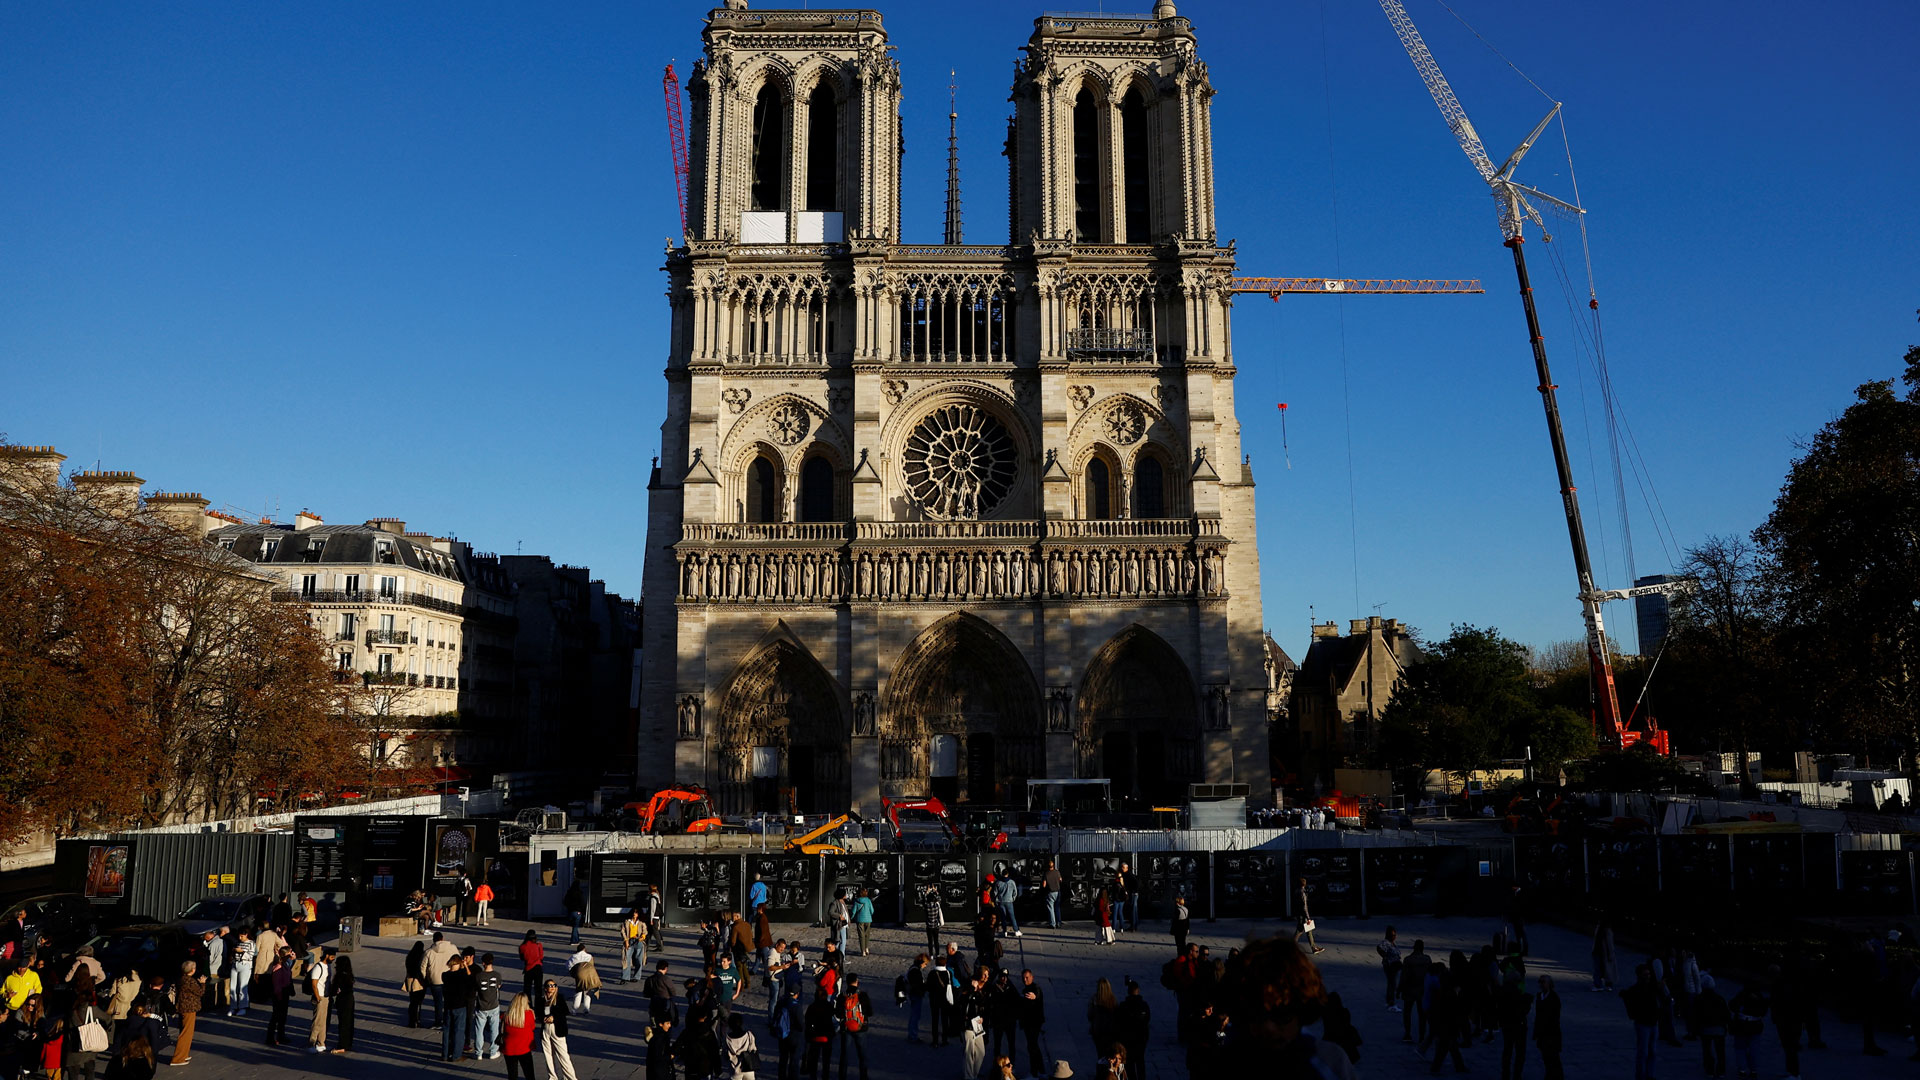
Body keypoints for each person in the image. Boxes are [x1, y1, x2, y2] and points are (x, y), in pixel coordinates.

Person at [1622, 964, 1660, 1080]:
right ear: (1640, 976)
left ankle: (1650, 1075)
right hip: (1643, 1024)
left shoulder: (1652, 987)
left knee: (1652, 1051)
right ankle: (1641, 1076)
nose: (1648, 977)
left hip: (1653, 1022)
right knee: (1643, 1052)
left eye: (1649, 974)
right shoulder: (1636, 990)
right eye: (1645, 975)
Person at [538, 979, 578, 1080]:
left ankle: (570, 1078)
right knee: (548, 1055)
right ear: (545, 988)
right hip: (546, 1029)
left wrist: (554, 1017)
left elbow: (565, 1011)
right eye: (549, 985)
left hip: (557, 1028)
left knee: (563, 1055)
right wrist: (543, 1018)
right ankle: (552, 1077)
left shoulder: (559, 998)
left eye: (553, 985)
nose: (551, 987)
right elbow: (538, 1012)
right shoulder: (541, 999)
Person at [1728, 979, 1768, 1080]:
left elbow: (1731, 1005)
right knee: (1754, 1049)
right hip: (1755, 1025)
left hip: (1741, 1024)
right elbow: (1764, 1011)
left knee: (1740, 1048)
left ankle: (1742, 1070)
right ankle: (1753, 1070)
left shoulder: (1742, 994)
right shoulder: (1759, 996)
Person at [836, 973, 872, 1080]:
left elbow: (838, 1014)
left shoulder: (842, 996)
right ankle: (863, 1076)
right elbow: (870, 1012)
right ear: (857, 981)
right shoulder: (863, 995)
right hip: (861, 1028)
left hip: (846, 1028)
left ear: (846, 983)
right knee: (862, 1055)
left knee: (844, 1055)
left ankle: (842, 1076)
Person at [67, 986, 107, 1079]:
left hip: (75, 1045)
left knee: (73, 1073)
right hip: (90, 1044)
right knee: (89, 1071)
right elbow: (108, 1019)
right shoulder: (94, 1010)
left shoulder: (72, 1011)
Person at [440, 953, 474, 1062]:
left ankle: (445, 1054)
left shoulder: (445, 975)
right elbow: (470, 977)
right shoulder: (462, 975)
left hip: (448, 1006)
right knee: (459, 1031)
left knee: (447, 1031)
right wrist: (466, 966)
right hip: (460, 1006)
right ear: (459, 964)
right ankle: (456, 1055)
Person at [1694, 974, 1728, 1079]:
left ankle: (1710, 1070)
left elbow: (1695, 1015)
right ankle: (1721, 1071)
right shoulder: (1719, 998)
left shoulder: (1699, 999)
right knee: (1720, 1050)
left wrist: (1696, 1028)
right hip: (1719, 1028)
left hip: (1705, 1029)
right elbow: (1726, 1014)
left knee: (1707, 1050)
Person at [1017, 969, 1048, 1080]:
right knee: (1033, 1046)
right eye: (1023, 978)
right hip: (1028, 1023)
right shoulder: (1025, 989)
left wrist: (1035, 996)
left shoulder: (1035, 988)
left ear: (1032, 977)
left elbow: (1037, 994)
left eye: (1027, 977)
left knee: (1032, 1047)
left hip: (1033, 1023)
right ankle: (1041, 1070)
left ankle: (1034, 1072)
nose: (1025, 980)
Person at [471, 952, 501, 1060]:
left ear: (483, 963)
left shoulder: (478, 976)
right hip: (494, 1005)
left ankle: (478, 1052)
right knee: (494, 1030)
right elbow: (499, 986)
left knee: (479, 1030)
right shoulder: (497, 975)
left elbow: (476, 988)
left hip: (481, 1006)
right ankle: (493, 1051)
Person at [423, 931, 457, 1028]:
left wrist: (426, 978)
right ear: (443, 938)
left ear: (434, 940)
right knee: (448, 1001)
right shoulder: (452, 948)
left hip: (435, 980)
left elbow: (423, 967)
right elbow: (458, 960)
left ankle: (438, 1021)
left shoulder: (428, 952)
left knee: (438, 1002)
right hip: (449, 979)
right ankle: (448, 1020)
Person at [501, 993, 539, 1080]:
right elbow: (532, 1027)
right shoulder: (529, 1014)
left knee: (512, 1074)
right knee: (529, 1073)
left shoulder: (506, 1015)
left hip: (509, 1049)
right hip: (525, 1048)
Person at [264, 946, 294, 1047]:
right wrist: (279, 996)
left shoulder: (285, 964)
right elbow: (277, 985)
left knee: (283, 1016)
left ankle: (281, 1035)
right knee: (276, 1016)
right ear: (285, 954)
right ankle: (270, 1037)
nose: (291, 954)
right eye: (290, 953)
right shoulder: (278, 967)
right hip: (279, 994)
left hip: (284, 993)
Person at [802, 986, 835, 1080]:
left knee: (814, 1059)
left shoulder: (812, 1007)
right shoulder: (829, 1006)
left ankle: (813, 1076)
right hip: (827, 1036)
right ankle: (825, 1076)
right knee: (826, 1060)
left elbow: (807, 1021)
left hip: (815, 1036)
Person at [1087, 977, 1119, 1059]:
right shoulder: (1113, 999)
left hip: (1098, 1031)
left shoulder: (1095, 999)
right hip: (1111, 1031)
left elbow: (1090, 1015)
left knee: (1100, 1054)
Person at [927, 957, 955, 1049]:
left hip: (934, 999)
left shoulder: (932, 973)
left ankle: (935, 1040)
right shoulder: (948, 973)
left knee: (934, 1020)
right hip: (944, 999)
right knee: (945, 1019)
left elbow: (928, 986)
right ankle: (944, 1039)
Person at [724, 1011, 759, 1080]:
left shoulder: (727, 1039)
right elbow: (753, 1049)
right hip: (749, 1068)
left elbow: (725, 1055)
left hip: (735, 1070)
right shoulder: (749, 1035)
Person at [568, 943, 601, 1015]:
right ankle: (586, 1008)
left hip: (580, 975)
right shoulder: (589, 956)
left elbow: (568, 966)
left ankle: (574, 1010)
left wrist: (574, 975)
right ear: (584, 949)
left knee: (578, 992)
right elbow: (592, 965)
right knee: (587, 992)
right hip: (589, 975)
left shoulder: (573, 957)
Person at [1294, 877, 1323, 954]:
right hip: (1303, 915)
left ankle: (1314, 948)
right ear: (1304, 883)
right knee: (1300, 931)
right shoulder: (1302, 892)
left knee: (1308, 931)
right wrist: (1308, 917)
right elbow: (1304, 906)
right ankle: (1291, 947)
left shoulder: (1296, 891)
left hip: (1298, 913)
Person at [646, 959, 679, 1027]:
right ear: (666, 968)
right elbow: (673, 991)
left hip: (654, 1002)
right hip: (665, 1002)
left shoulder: (650, 979)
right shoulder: (665, 979)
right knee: (665, 1020)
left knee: (655, 1019)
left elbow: (646, 993)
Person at [905, 955, 929, 1043]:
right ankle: (913, 1035)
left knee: (914, 1015)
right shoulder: (916, 971)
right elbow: (918, 985)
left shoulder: (913, 968)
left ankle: (912, 1034)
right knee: (915, 1015)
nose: (925, 966)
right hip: (916, 994)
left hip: (913, 994)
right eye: (925, 964)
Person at [623, 909, 650, 984]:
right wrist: (626, 941)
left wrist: (642, 937)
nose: (634, 914)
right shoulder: (627, 921)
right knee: (626, 959)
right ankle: (625, 977)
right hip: (630, 941)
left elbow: (645, 931)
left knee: (639, 959)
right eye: (634, 912)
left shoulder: (641, 922)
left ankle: (636, 976)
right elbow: (623, 931)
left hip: (638, 941)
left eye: (636, 913)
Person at [647, 1016, 678, 1080]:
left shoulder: (659, 1036)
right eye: (667, 1023)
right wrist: (670, 1057)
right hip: (659, 1074)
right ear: (661, 1024)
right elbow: (658, 1058)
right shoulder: (659, 1039)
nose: (669, 1025)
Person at [518, 931, 545, 1005]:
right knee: (538, 989)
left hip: (528, 969)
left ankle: (528, 1006)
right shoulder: (538, 945)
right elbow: (541, 957)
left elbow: (522, 958)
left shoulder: (522, 947)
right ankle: (538, 1007)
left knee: (527, 989)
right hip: (538, 968)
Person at [1591, 919, 1617, 991]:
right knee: (1601, 969)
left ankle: (1600, 985)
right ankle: (1601, 984)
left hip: (1603, 953)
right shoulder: (1600, 928)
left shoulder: (1606, 930)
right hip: (1599, 952)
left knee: (1603, 970)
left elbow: (1610, 944)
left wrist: (1611, 954)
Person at [920, 883, 944, 958]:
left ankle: (931, 954)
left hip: (929, 926)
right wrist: (935, 891)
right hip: (936, 926)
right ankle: (937, 953)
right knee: (936, 941)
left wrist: (927, 892)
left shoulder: (927, 906)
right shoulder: (936, 905)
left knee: (930, 941)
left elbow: (923, 900)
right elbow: (939, 898)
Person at [850, 890, 875, 957]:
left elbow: (853, 911)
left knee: (861, 935)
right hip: (868, 919)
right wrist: (870, 915)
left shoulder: (856, 901)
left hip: (860, 919)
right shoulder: (868, 900)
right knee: (867, 934)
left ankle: (863, 951)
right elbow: (872, 910)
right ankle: (866, 948)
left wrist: (851, 918)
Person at [563, 880, 587, 945]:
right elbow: (582, 903)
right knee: (575, 926)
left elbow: (565, 902)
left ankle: (577, 938)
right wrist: (583, 911)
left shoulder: (569, 892)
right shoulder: (579, 893)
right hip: (578, 912)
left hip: (571, 911)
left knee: (574, 926)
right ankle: (574, 940)